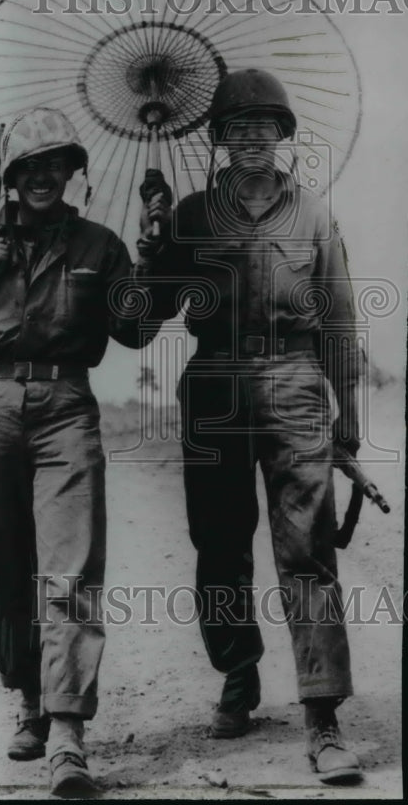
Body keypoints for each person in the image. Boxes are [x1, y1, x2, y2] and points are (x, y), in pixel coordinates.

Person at [137, 69, 363, 784]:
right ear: (221, 140)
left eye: (267, 126)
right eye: (239, 128)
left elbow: (340, 323)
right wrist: (150, 254)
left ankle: (323, 716)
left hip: (295, 383)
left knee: (308, 550)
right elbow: (143, 325)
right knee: (218, 543)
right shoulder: (191, 217)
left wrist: (347, 429)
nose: (253, 139)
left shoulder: (316, 217)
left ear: (284, 136)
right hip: (213, 387)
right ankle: (238, 674)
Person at [0, 107, 140, 798]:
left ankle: (69, 733)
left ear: (72, 173)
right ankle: (30, 701)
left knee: (69, 574)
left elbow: (134, 330)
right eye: (29, 167)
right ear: (9, 177)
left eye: (56, 165)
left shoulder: (101, 246)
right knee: (4, 574)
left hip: (66, 411)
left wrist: (159, 258)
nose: (44, 177)